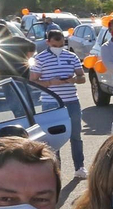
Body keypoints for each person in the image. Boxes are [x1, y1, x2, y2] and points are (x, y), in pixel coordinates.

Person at [29, 27, 87, 179]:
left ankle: (79, 167)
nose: (59, 49)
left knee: (76, 135)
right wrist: (50, 82)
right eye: (55, 46)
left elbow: (82, 78)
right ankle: (56, 171)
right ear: (48, 42)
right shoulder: (40, 59)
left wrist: (73, 79)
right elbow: (33, 81)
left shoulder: (71, 56)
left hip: (72, 101)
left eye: (61, 45)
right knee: (53, 139)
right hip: (51, 103)